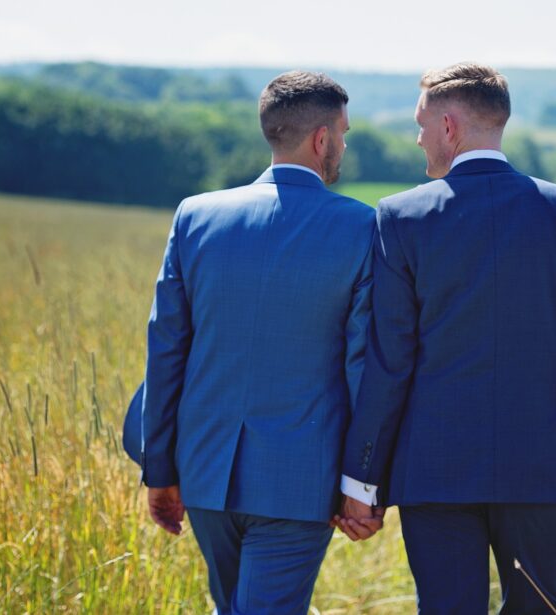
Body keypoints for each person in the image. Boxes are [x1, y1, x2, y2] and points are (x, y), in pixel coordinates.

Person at [335, 62, 556, 614]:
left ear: (450, 127)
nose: (418, 138)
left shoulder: (400, 217)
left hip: (433, 468)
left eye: (422, 124)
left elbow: (389, 362)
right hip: (539, 464)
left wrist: (362, 479)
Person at [139, 70, 379, 615]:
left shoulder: (195, 216)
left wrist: (161, 470)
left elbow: (165, 350)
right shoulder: (363, 227)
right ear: (322, 140)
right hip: (301, 479)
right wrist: (363, 483)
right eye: (342, 132)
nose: (343, 144)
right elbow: (364, 365)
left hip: (203, 471)